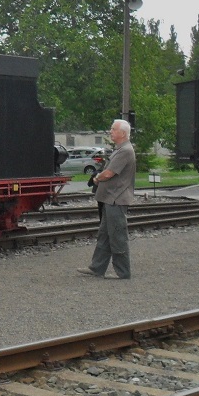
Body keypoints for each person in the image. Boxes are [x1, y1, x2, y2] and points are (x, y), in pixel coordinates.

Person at [79, 119, 137, 279]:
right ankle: (97, 268)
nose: (110, 131)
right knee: (104, 235)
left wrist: (97, 178)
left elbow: (109, 173)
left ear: (123, 133)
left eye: (113, 129)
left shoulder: (125, 150)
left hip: (117, 199)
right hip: (111, 199)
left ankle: (123, 272)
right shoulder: (121, 149)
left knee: (117, 235)